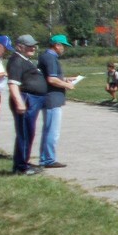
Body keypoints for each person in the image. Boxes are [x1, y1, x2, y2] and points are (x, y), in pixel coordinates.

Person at [6, 35, 46, 175]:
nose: (33, 48)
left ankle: (24, 162)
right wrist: (19, 102)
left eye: (34, 45)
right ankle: (21, 167)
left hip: (32, 99)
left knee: (28, 132)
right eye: (29, 46)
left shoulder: (24, 60)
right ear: (19, 47)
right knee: (24, 133)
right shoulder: (17, 61)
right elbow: (12, 84)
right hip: (26, 99)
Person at [38, 34, 76, 169]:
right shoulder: (51, 58)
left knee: (48, 129)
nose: (64, 49)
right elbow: (51, 79)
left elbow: (53, 77)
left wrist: (64, 79)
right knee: (52, 131)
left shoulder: (46, 56)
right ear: (57, 45)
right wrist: (67, 85)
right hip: (52, 98)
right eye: (63, 46)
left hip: (50, 98)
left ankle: (45, 158)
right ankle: (48, 159)